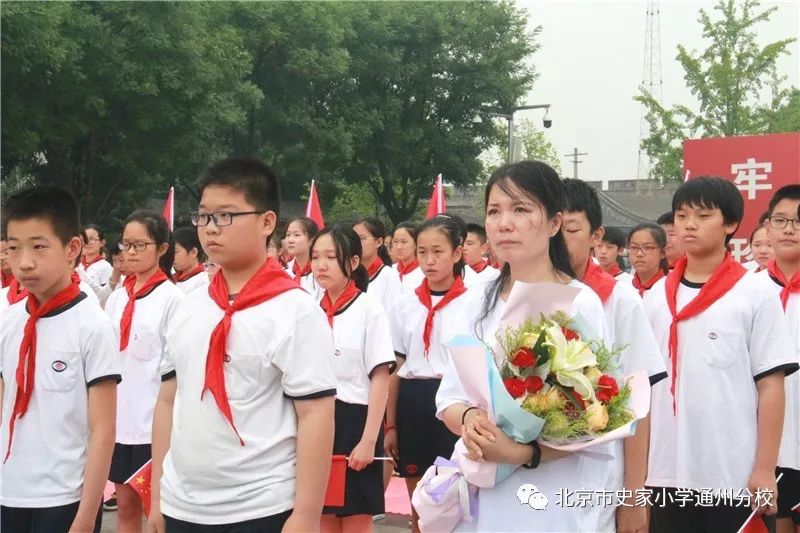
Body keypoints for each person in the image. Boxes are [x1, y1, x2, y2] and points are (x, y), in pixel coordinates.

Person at [149, 157, 336, 533]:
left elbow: (316, 415)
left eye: (226, 216)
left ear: (268, 222)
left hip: (260, 507)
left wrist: (306, 515)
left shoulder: (295, 310)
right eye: (203, 217)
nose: (210, 229)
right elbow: (169, 399)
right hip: (180, 505)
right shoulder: (189, 305)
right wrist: (156, 496)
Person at [435, 161, 609, 531]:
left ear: (554, 223)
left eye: (521, 209)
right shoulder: (474, 301)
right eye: (494, 211)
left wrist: (521, 453)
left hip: (551, 497)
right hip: (482, 488)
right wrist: (471, 421)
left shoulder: (580, 302)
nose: (504, 223)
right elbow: (448, 399)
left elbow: (598, 419)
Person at [644, 177, 797, 533]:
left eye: (703, 216)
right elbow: (641, 389)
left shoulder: (754, 294)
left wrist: (764, 468)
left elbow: (772, 386)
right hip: (666, 473)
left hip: (731, 473)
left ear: (730, 224)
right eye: (682, 216)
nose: (689, 225)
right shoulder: (654, 298)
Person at [1, 186, 119, 533]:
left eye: (38, 246)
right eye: (13, 248)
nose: (24, 262)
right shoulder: (8, 319)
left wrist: (85, 516)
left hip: (64, 496)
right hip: (11, 490)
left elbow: (103, 430)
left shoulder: (92, 326)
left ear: (72, 249)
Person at [562, 178, 668, 532]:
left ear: (596, 235)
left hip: (599, 476)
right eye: (552, 227)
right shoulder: (527, 294)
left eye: (572, 229)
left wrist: (634, 497)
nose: (559, 239)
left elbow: (639, 404)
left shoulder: (619, 300)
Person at [387, 215, 469, 532]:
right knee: (418, 500)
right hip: (414, 402)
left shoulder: (474, 303)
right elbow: (395, 368)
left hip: (455, 403)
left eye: (438, 252)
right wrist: (391, 424)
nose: (429, 261)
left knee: (458, 496)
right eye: (422, 252)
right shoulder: (404, 304)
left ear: (457, 252)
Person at [312, 225, 396, 532]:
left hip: (356, 423)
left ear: (353, 262)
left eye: (331, 257)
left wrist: (368, 441)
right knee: (321, 518)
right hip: (317, 423)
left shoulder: (369, 310)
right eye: (316, 256)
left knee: (355, 520)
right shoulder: (308, 310)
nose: (321, 264)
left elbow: (380, 378)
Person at [105, 210, 184, 532]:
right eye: (127, 245)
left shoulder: (172, 300)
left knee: (158, 513)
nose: (131, 252)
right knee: (125, 508)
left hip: (154, 425)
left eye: (140, 245)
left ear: (162, 249)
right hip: (119, 422)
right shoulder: (117, 298)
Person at [760, 185, 800, 533]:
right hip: (766, 450)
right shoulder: (748, 290)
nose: (790, 229)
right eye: (782, 220)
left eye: (799, 222)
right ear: (768, 226)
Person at [353, 216, 402, 313]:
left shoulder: (389, 276)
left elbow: (393, 317)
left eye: (362, 238)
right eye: (354, 239)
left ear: (379, 242)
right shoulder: (347, 275)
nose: (356, 243)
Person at [628, 222, 669, 297]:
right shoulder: (622, 288)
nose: (639, 254)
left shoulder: (670, 289)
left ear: (663, 252)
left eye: (648, 248)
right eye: (634, 247)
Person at [285, 216, 322, 299]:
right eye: (288, 235)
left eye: (297, 235)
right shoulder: (284, 272)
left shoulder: (321, 273)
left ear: (312, 240)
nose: (290, 240)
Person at [173, 226, 210, 294]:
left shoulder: (203, 281)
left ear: (193, 252)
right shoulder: (172, 279)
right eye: (170, 253)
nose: (171, 257)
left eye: (175, 252)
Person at [462, 223, 500, 287]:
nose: (463, 248)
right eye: (462, 243)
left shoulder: (495, 277)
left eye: (469, 244)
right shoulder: (457, 272)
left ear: (483, 248)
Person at [391, 222, 424, 292]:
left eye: (404, 242)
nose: (399, 247)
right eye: (395, 241)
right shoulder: (390, 270)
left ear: (416, 243)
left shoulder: (424, 272)